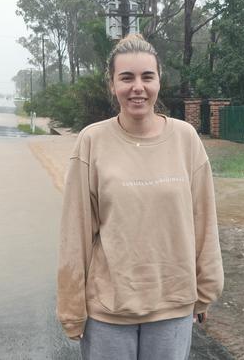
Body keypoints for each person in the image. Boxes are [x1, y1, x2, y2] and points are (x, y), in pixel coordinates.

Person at [57, 33, 224, 360]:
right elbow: (74, 234)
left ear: (159, 81)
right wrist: (71, 308)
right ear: (112, 84)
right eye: (127, 77)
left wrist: (205, 290)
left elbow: (204, 220)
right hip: (109, 311)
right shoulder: (92, 142)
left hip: (172, 307)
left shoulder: (185, 139)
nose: (138, 87)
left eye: (147, 76)